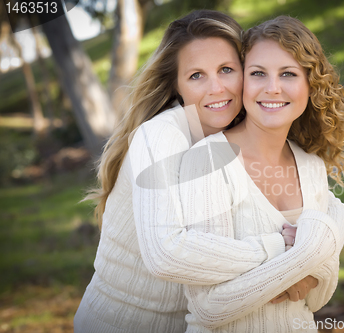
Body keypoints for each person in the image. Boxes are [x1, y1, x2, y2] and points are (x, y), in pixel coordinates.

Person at [74, 10, 291, 333]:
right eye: (196, 76)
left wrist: (298, 268)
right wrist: (274, 250)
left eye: (226, 70)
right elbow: (166, 253)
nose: (216, 88)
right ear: (176, 86)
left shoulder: (234, 139)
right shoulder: (161, 135)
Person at [178, 16, 344, 332]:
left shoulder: (311, 166)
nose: (272, 88)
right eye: (258, 74)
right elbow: (209, 307)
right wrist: (302, 258)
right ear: (241, 82)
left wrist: (299, 268)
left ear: (310, 85)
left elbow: (318, 296)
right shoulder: (208, 160)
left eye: (288, 74)